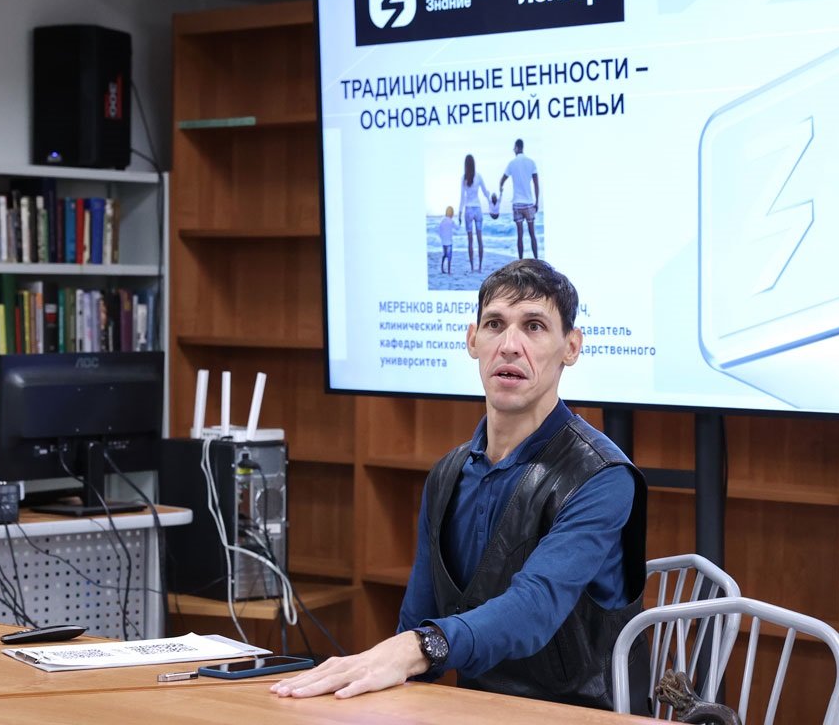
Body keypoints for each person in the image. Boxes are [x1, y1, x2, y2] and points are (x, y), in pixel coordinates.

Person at [271, 259, 649, 713]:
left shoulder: (602, 475)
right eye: (495, 325)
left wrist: (417, 647)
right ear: (473, 340)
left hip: (577, 714)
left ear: (571, 347)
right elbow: (416, 623)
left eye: (533, 327)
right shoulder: (448, 473)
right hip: (472, 709)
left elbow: (534, 608)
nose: (509, 346)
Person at [499, 139, 539, 259]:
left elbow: (502, 180)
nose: (513, 150)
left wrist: (501, 188)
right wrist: (537, 201)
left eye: (514, 148)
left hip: (517, 203)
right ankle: (536, 260)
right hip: (528, 203)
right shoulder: (531, 162)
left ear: (517, 147)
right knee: (532, 234)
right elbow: (536, 184)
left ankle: (520, 261)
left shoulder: (512, 163)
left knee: (520, 235)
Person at [458, 154, 491, 272]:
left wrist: (459, 212)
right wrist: (491, 201)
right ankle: (480, 267)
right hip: (477, 209)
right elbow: (485, 192)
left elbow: (462, 197)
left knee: (470, 241)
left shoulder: (464, 178)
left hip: (468, 209)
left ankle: (472, 268)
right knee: (480, 239)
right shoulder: (479, 176)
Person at [438, 206, 456, 274]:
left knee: (444, 255)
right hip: (449, 241)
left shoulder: (442, 220)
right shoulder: (451, 221)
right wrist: (460, 222)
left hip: (444, 241)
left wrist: (441, 237)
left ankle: (442, 269)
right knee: (449, 256)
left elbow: (439, 230)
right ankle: (449, 271)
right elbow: (457, 228)